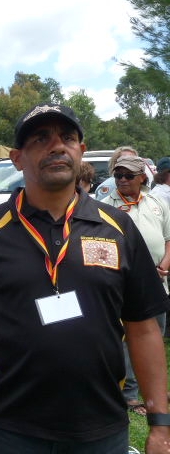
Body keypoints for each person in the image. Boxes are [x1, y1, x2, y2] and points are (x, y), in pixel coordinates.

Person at [0, 103, 170, 453]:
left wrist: (160, 424)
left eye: (67, 137)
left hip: (102, 429)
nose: (57, 146)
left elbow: (143, 327)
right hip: (10, 430)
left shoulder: (118, 228)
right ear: (18, 158)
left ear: (81, 150)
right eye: (40, 139)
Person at [102, 155, 170, 415]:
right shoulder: (106, 206)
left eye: (128, 176)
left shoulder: (157, 202)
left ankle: (153, 391)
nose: (122, 180)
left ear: (143, 177)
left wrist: (164, 265)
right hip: (124, 286)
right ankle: (129, 393)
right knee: (126, 339)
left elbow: (168, 238)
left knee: (156, 335)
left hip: (158, 281)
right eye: (118, 175)